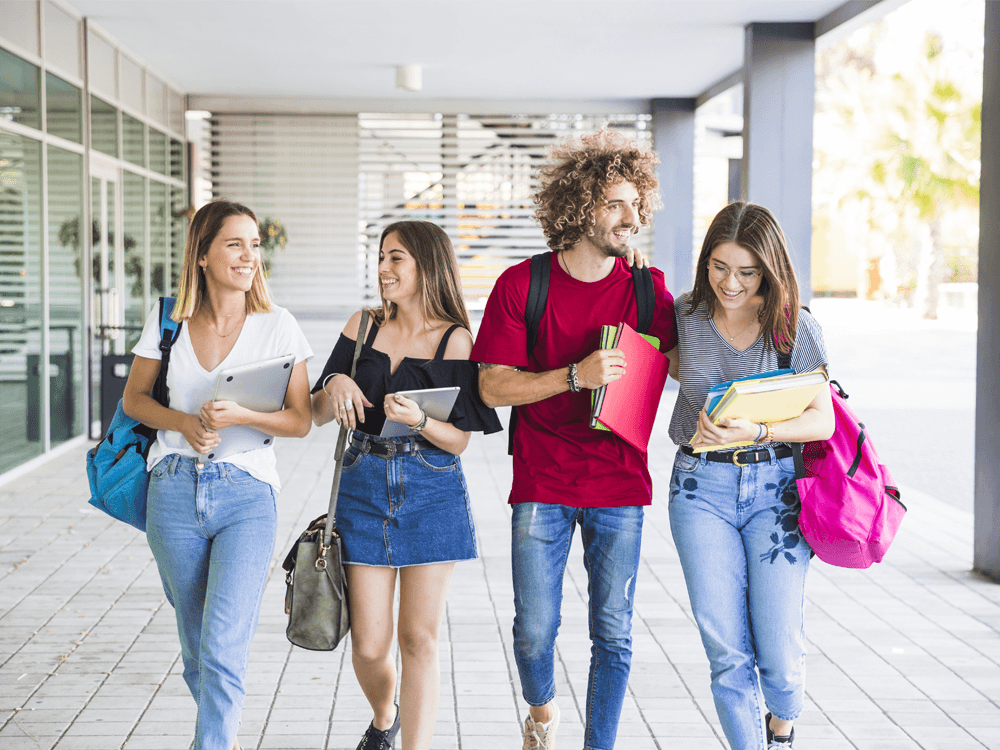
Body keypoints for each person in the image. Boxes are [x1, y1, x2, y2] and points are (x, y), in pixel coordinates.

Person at [472, 129, 678, 750]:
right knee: (535, 630)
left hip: (620, 482)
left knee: (613, 633)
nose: (630, 218)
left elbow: (679, 363)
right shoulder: (522, 285)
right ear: (579, 205)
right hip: (544, 478)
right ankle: (542, 714)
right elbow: (492, 387)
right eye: (614, 204)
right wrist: (573, 377)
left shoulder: (647, 287)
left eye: (635, 204)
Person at [122, 199, 313, 750]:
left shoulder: (278, 326)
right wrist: (185, 423)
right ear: (202, 254)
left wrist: (244, 415)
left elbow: (300, 419)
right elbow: (135, 399)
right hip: (173, 491)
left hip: (247, 495)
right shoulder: (169, 320)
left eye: (254, 245)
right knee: (197, 649)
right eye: (235, 244)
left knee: (224, 645)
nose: (249, 255)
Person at [310, 220, 501, 750]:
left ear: (427, 265)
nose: (383, 269)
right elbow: (316, 412)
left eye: (396, 258)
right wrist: (334, 381)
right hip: (363, 482)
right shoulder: (363, 327)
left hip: (431, 487)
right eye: (381, 257)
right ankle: (384, 715)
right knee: (369, 647)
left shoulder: (455, 339)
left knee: (418, 638)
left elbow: (459, 441)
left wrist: (419, 420)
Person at [663, 202, 835, 750]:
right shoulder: (685, 314)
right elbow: (662, 364)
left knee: (779, 651)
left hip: (774, 492)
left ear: (769, 269)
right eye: (719, 267)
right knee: (726, 651)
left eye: (747, 272)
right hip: (699, 489)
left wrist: (758, 431)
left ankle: (781, 724)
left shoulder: (793, 325)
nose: (730, 283)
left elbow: (823, 419)